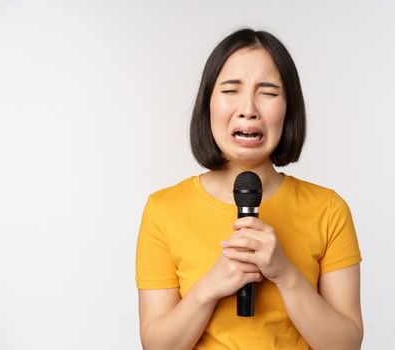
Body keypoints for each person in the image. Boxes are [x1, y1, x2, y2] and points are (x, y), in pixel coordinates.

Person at [135, 28, 363, 350]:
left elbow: (346, 344)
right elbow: (157, 346)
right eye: (230, 90)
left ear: (289, 107)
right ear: (208, 104)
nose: (248, 109)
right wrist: (209, 288)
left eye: (268, 92)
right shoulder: (163, 209)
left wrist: (285, 273)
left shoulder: (329, 209)